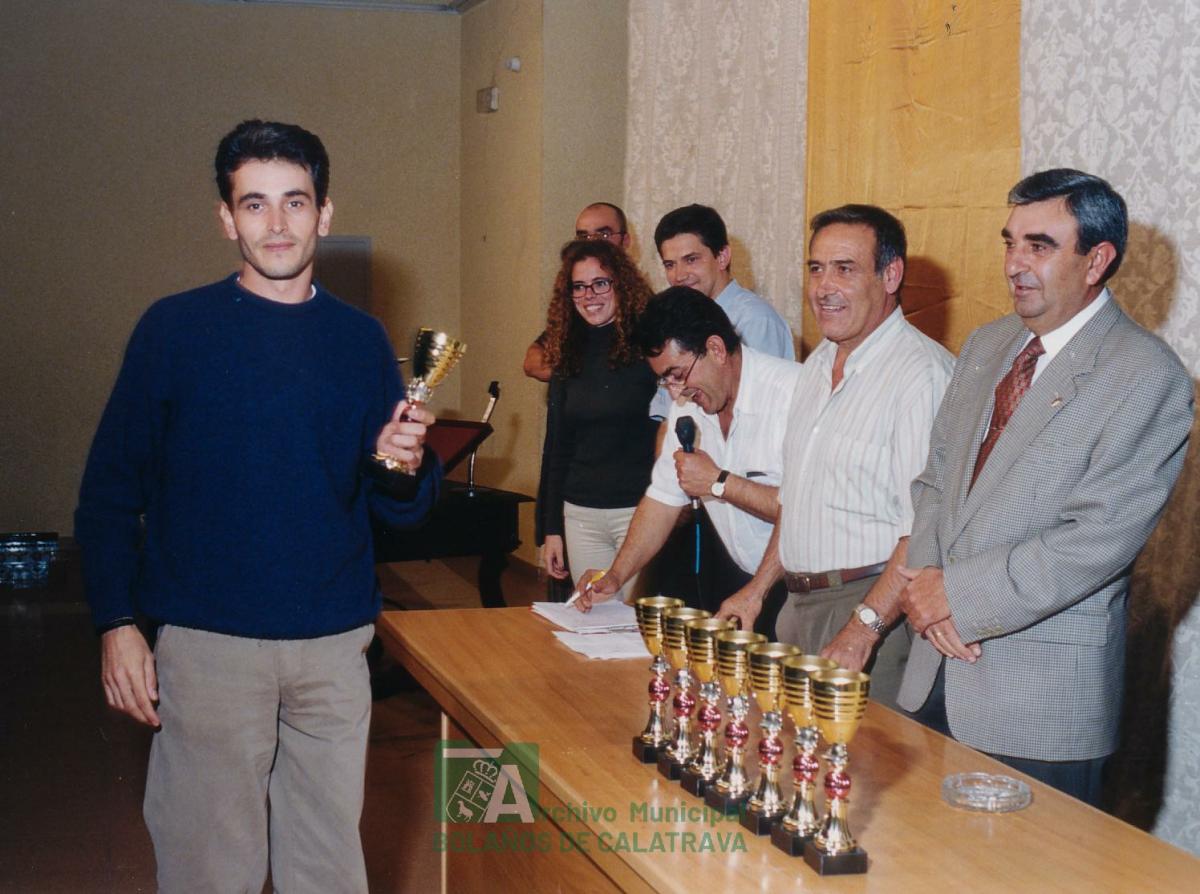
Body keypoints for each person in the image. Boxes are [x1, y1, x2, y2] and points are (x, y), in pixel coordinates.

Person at [75, 119, 439, 892]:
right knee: (210, 870)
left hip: (333, 648)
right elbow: (108, 491)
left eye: (295, 202)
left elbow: (398, 508)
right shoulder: (174, 330)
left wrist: (404, 466)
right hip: (211, 648)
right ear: (225, 218)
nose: (277, 224)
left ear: (325, 213)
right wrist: (116, 623)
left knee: (328, 871)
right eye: (254, 203)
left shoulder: (361, 341)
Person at [893, 169, 1192, 805]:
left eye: (1040, 246)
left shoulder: (1148, 376)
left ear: (1097, 260)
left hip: (1037, 707)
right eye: (1010, 243)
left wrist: (956, 598)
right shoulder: (987, 344)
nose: (1014, 264)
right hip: (931, 672)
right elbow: (936, 481)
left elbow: (1094, 541)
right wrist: (925, 595)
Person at [717, 205, 953, 708]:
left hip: (874, 616)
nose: (824, 287)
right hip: (799, 608)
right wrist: (757, 590)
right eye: (816, 268)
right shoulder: (816, 365)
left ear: (891, 275)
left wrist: (863, 629)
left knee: (865, 757)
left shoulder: (922, 376)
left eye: (845, 269)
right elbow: (797, 500)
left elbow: (923, 532)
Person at [574, 288, 801, 627]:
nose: (675, 391)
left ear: (716, 349)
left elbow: (802, 510)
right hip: (748, 584)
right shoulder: (689, 407)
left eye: (678, 374)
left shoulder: (794, 393)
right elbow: (662, 501)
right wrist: (616, 575)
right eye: (664, 379)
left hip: (805, 589)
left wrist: (718, 483)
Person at [538, 239, 658, 599]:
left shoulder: (650, 348)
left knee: (637, 622)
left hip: (638, 513)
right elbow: (556, 447)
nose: (589, 295)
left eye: (600, 283)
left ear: (622, 285)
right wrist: (551, 529)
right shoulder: (566, 352)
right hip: (580, 515)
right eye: (579, 286)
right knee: (594, 620)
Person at [524, 202, 632, 382]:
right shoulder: (580, 302)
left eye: (603, 235)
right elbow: (533, 359)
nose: (592, 243)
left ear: (625, 241)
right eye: (583, 237)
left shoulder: (642, 305)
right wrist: (578, 379)